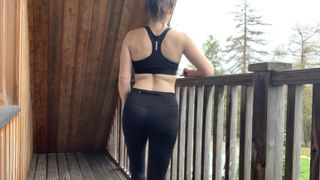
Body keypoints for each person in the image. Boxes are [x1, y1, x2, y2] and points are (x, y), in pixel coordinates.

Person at [117, 0, 214, 179]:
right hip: (165, 107)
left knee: (137, 170)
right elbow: (208, 70)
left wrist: (129, 107)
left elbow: (123, 80)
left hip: (136, 104)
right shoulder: (180, 38)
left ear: (148, 8)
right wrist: (190, 73)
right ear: (171, 9)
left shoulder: (131, 36)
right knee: (158, 174)